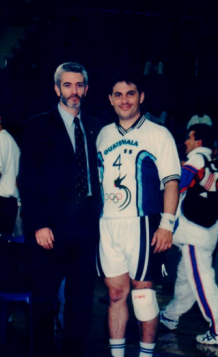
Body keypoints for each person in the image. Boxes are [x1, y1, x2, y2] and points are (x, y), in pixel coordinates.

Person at [19, 62, 102, 357]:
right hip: (50, 231)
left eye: (79, 85)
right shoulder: (37, 125)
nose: (74, 91)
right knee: (45, 302)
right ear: (57, 89)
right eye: (67, 85)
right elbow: (27, 180)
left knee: (81, 303)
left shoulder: (94, 127)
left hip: (86, 229)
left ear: (87, 89)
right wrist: (39, 224)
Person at [96, 74, 180, 357]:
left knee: (143, 295)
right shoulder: (103, 134)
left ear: (141, 97)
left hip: (143, 223)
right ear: (110, 99)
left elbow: (171, 183)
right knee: (116, 295)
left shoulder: (158, 134)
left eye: (130, 94)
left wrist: (167, 225)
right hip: (107, 225)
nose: (124, 100)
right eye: (118, 95)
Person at [160, 124, 218, 345]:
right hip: (208, 232)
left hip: (194, 234)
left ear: (199, 142)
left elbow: (176, 187)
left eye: (189, 138)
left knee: (203, 283)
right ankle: (171, 315)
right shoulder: (211, 163)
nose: (185, 142)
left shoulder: (195, 160)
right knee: (187, 278)